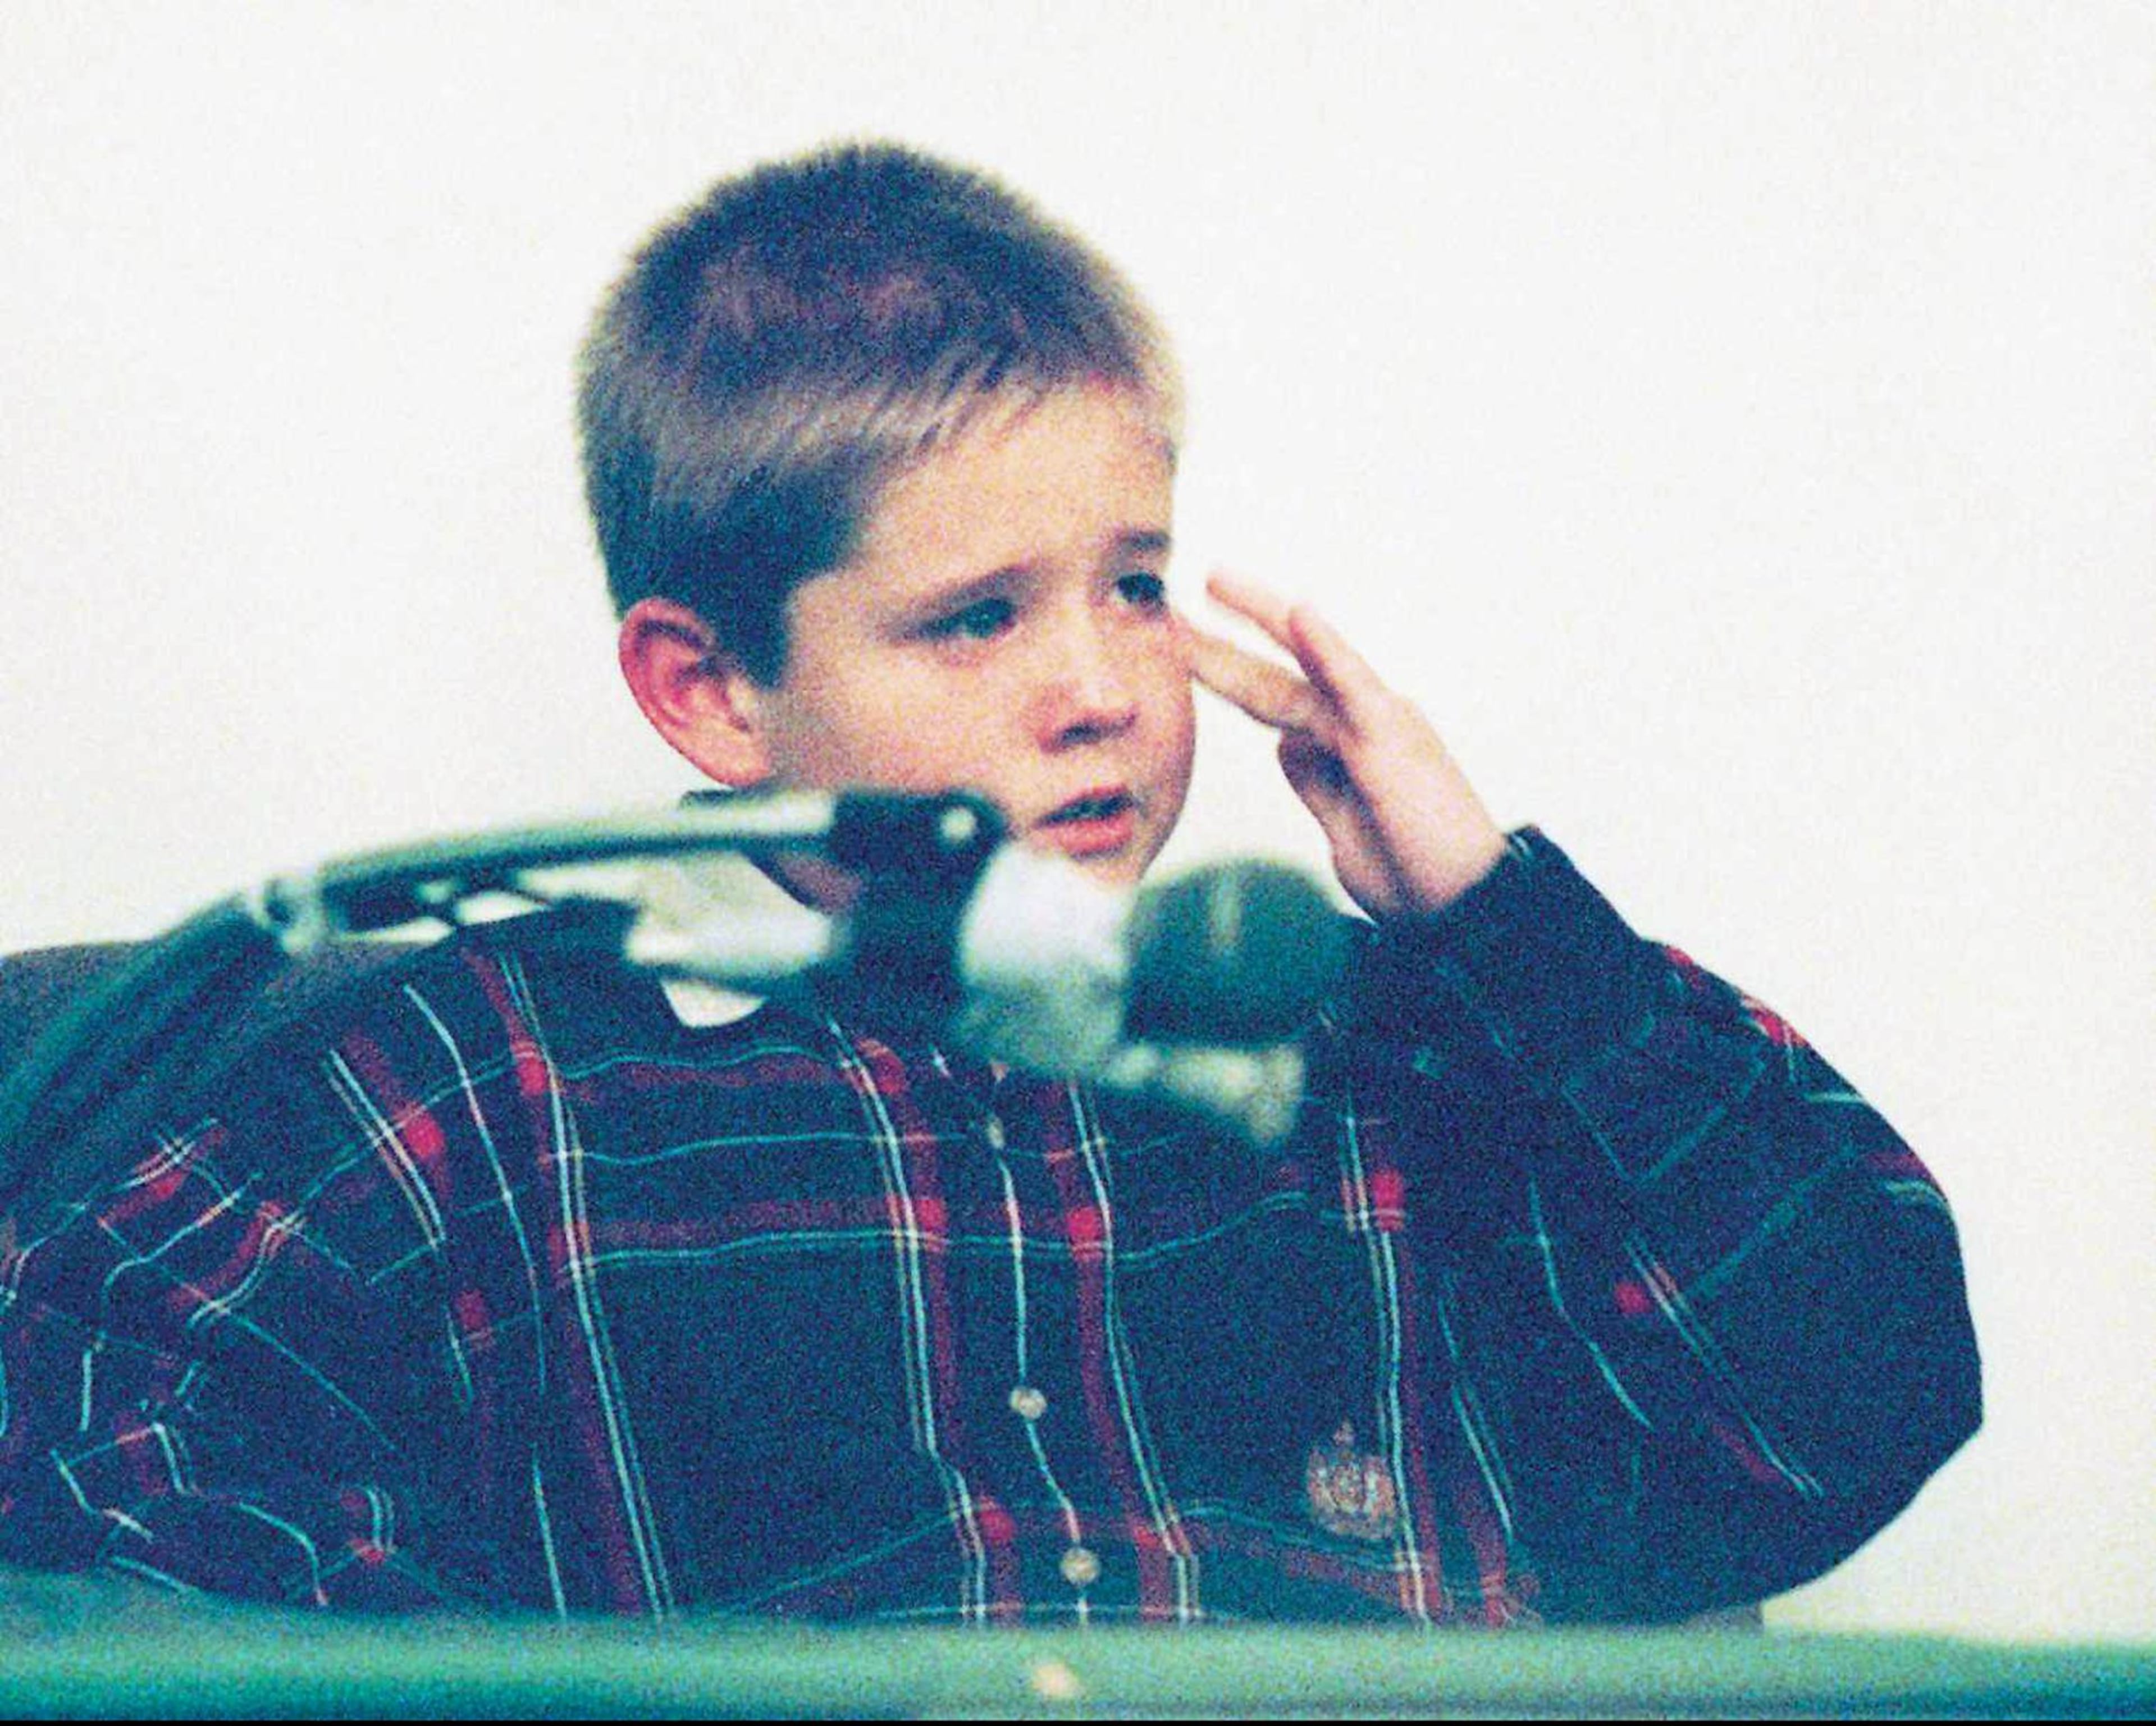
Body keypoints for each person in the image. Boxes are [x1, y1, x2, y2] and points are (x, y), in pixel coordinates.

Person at [0, 141, 1979, 1624]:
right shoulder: (487, 1078)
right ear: (710, 690)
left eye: (1134, 579)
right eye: (976, 619)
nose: (1107, 686)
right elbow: (122, 1475)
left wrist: (1497, 925)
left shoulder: (1376, 1046)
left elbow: (1852, 1394)